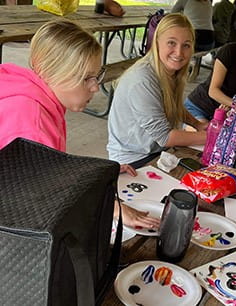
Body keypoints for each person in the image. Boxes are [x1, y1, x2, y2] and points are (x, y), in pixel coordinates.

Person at [0, 19, 157, 229]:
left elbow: (51, 169)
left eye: (96, 76)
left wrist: (94, 172)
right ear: (52, 72)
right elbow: (40, 198)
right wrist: (112, 207)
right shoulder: (32, 120)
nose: (95, 87)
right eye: (86, 79)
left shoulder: (33, 92)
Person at [107, 14, 207, 167]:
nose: (179, 53)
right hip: (132, 159)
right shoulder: (143, 80)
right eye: (171, 43)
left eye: (186, 45)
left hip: (156, 151)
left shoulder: (170, 70)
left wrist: (196, 124)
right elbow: (165, 137)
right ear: (157, 42)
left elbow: (171, 106)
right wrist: (209, 137)